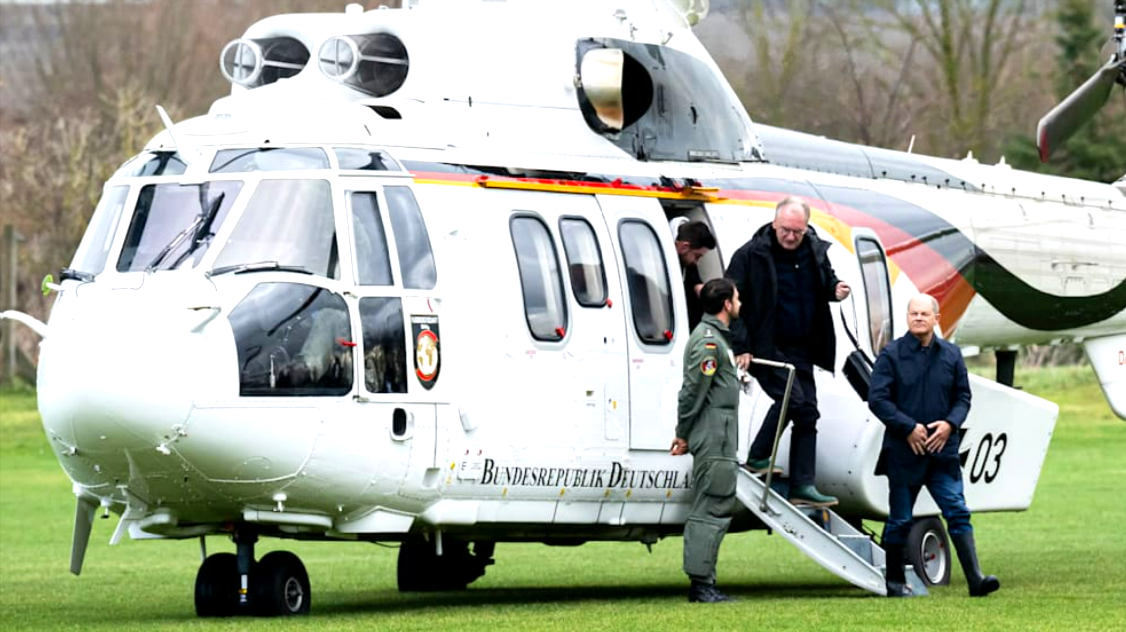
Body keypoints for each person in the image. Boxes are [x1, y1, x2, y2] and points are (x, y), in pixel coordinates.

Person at [868, 294, 1000, 598]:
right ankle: (895, 584)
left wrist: (950, 424)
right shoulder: (891, 355)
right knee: (900, 519)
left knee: (957, 511)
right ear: (907, 317)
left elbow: (963, 397)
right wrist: (908, 428)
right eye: (913, 313)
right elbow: (877, 399)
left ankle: (976, 580)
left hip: (943, 453)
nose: (918, 318)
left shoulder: (952, 355)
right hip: (904, 453)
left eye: (924, 313)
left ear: (936, 318)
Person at [725, 197, 849, 507]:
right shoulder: (750, 254)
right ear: (774, 224)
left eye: (798, 231)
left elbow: (825, 281)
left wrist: (835, 289)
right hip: (767, 346)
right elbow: (729, 301)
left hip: (803, 347)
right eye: (785, 230)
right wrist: (741, 346)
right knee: (791, 400)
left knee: (808, 413)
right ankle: (757, 456)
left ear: (806, 228)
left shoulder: (815, 250)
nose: (791, 237)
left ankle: (803, 486)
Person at [670, 278, 741, 604]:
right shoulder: (709, 342)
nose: (740, 303)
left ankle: (705, 580)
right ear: (726, 303)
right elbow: (692, 392)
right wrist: (683, 432)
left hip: (720, 433)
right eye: (737, 298)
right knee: (712, 504)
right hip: (715, 435)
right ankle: (701, 583)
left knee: (717, 502)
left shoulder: (715, 339)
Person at [674, 221, 717, 330]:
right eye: (697, 256)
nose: (696, 262)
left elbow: (697, 285)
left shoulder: (689, 264)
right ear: (684, 247)